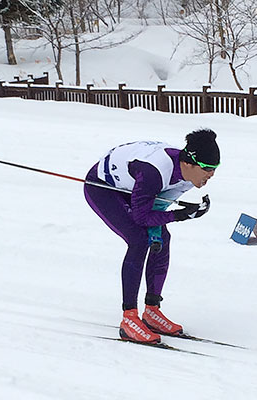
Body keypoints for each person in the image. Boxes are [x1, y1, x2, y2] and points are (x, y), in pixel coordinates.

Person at [84, 129, 220, 344]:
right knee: (138, 240)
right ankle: (129, 318)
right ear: (188, 163)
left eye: (215, 169)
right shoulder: (154, 171)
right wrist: (181, 215)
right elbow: (142, 217)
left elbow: (157, 207)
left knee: (161, 239)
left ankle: (152, 310)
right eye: (208, 168)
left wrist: (173, 219)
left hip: (133, 188)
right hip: (103, 188)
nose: (211, 174)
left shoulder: (188, 178)